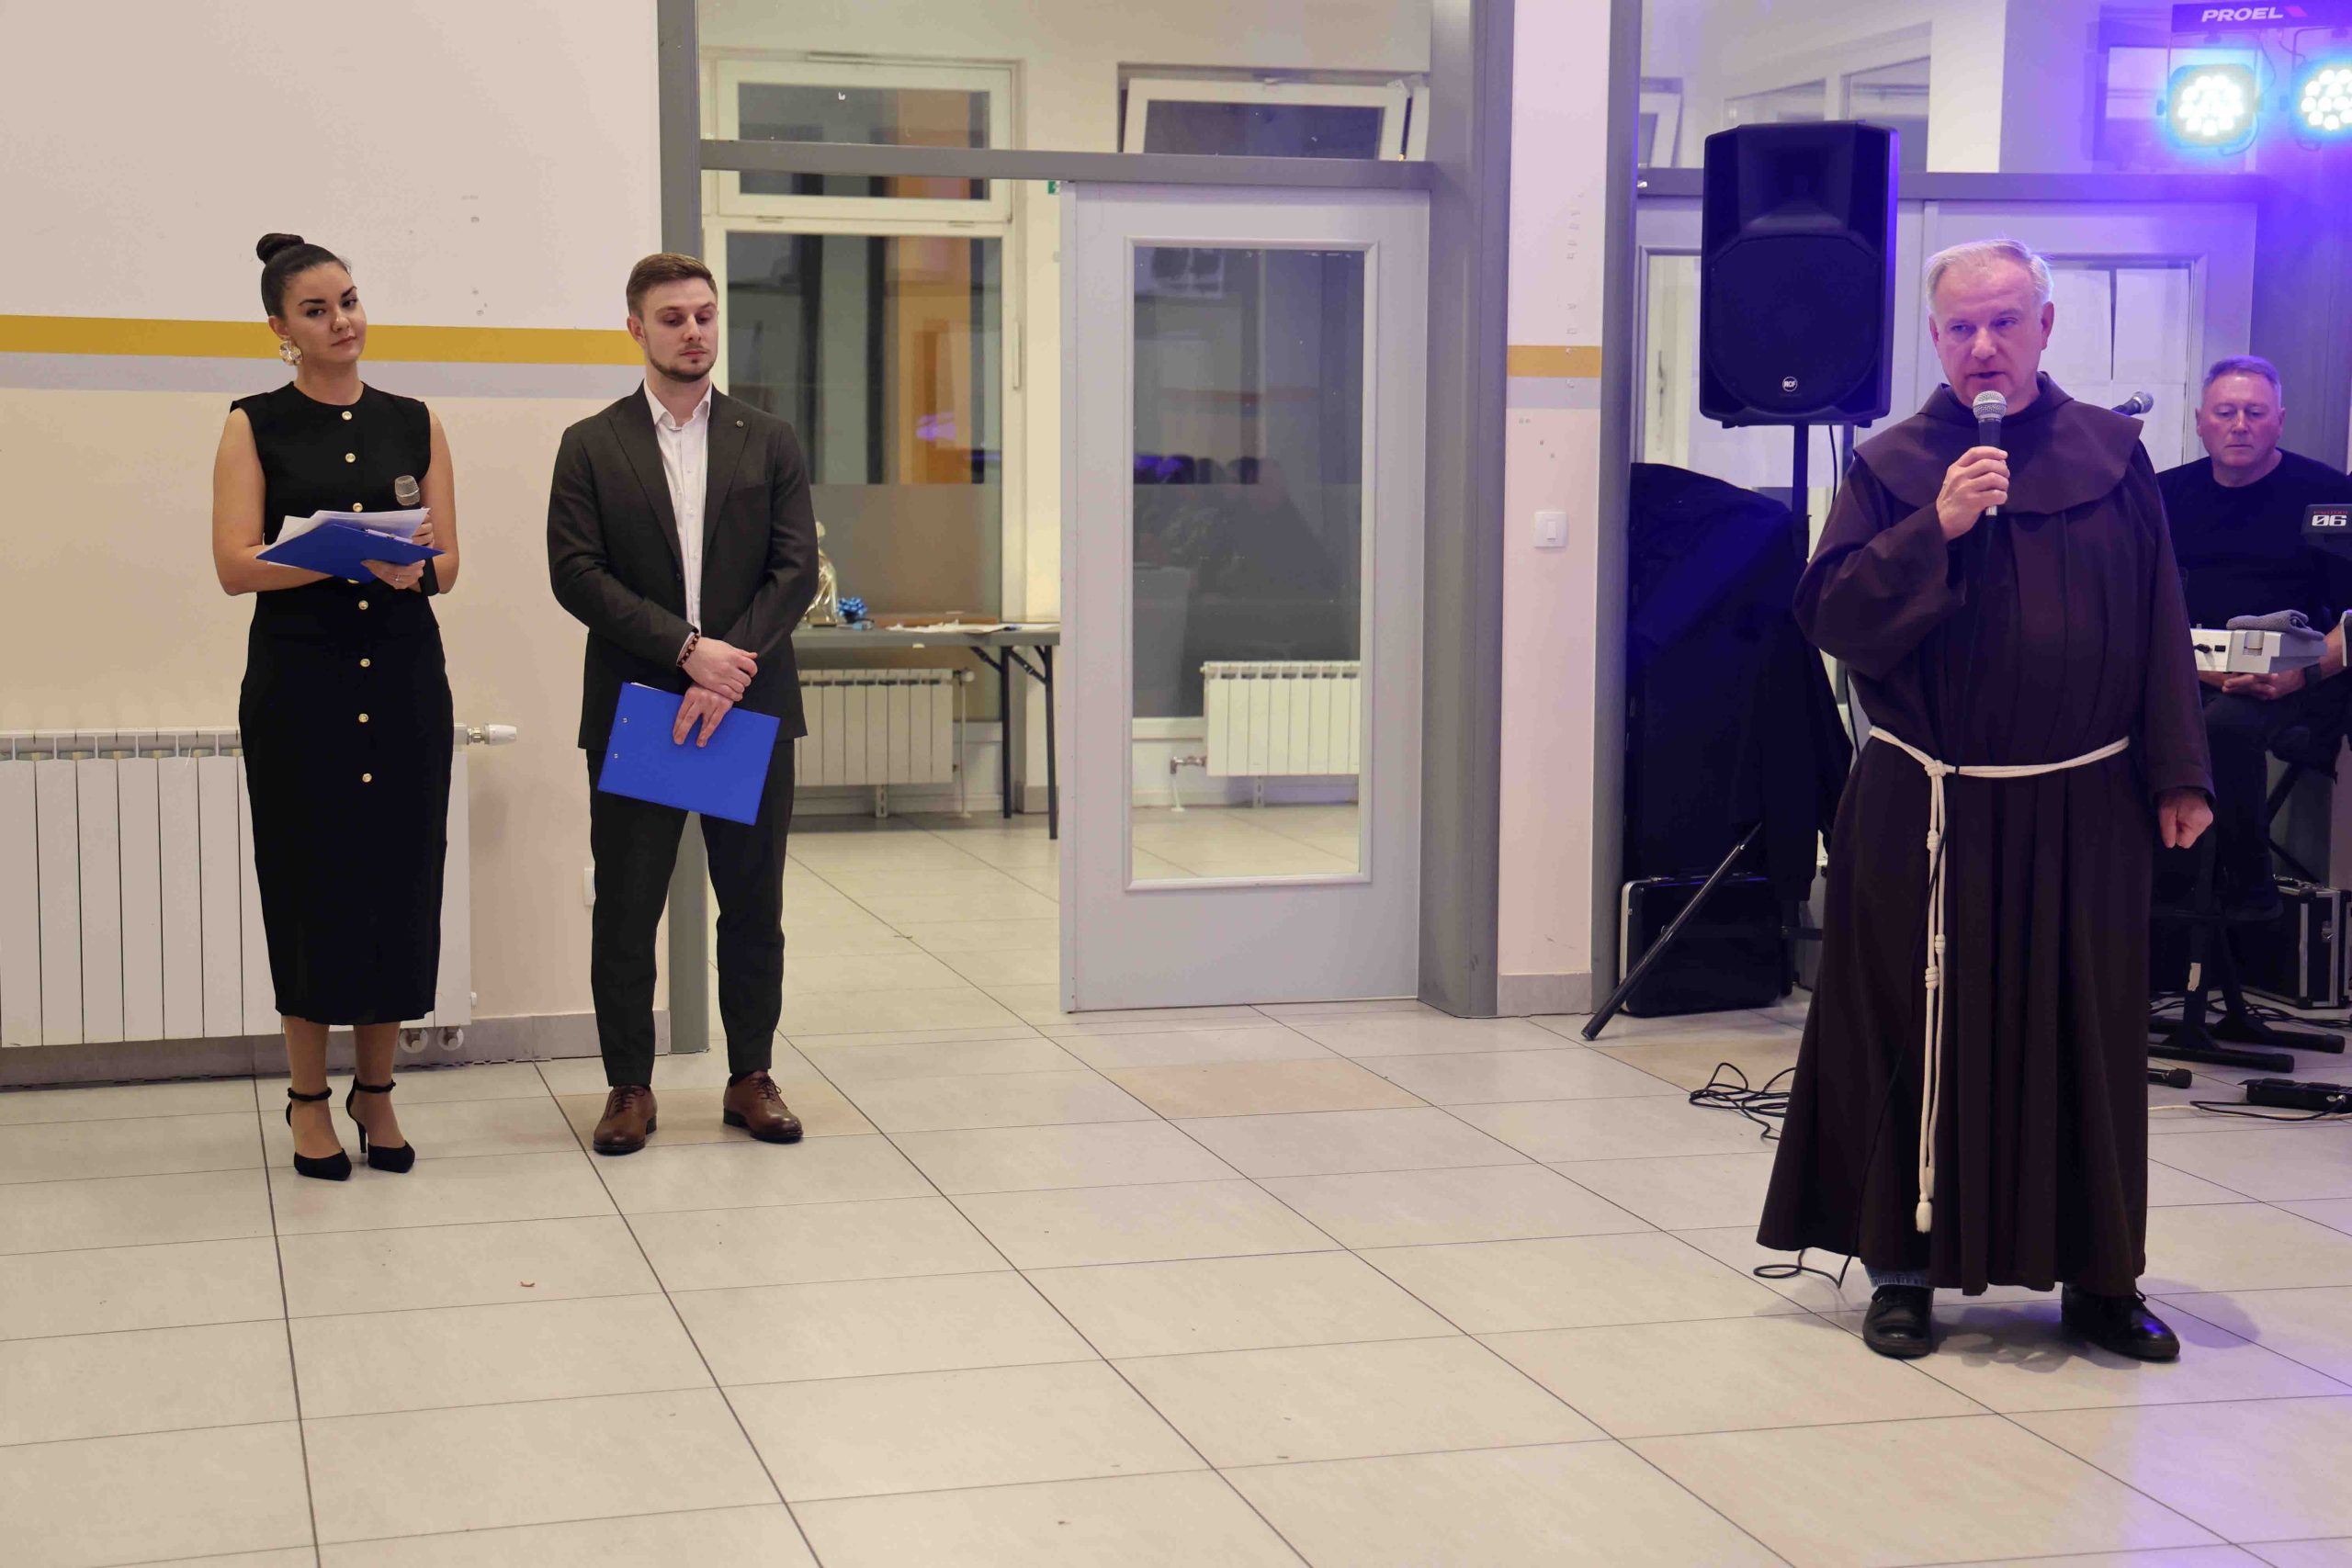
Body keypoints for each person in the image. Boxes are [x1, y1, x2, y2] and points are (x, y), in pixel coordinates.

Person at [1757, 237, 2212, 1362]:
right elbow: (1831, 616)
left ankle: (2098, 1278)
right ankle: (1901, 1269)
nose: (1983, 346)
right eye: (1960, 327)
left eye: (2005, 321)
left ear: (2045, 327)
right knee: (1910, 1031)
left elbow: (2157, 615)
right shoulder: (1891, 466)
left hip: (2083, 800)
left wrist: (2179, 770)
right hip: (1926, 801)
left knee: (2084, 1032)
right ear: (1934, 339)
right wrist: (1937, 527)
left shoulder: (2114, 457)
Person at [547, 253, 820, 1156]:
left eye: (704, 315)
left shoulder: (767, 438)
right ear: (636, 328)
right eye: (672, 318)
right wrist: (686, 652)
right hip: (642, 706)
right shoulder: (592, 443)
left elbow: (795, 569)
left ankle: (751, 1077)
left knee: (753, 907)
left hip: (745, 703)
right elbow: (575, 573)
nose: (693, 331)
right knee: (628, 912)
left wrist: (726, 667)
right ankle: (630, 1085)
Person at [211, 233, 462, 1181]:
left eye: (349, 301)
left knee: (400, 880)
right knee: (310, 886)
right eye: (315, 311)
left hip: (402, 681)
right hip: (301, 688)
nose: (341, 321)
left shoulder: (415, 420)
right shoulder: (253, 424)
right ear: (280, 328)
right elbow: (235, 565)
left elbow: (447, 562)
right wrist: (335, 553)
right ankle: (309, 1098)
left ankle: (379, 1091)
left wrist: (409, 567)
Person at [2158, 357, 2352, 919]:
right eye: (2225, 412)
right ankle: (2157, 890)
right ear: (2201, 421)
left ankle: (2248, 891)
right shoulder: (2166, 493)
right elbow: (2139, 605)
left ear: (2280, 421)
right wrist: (2194, 668)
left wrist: (2303, 673)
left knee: (2224, 726)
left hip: (2298, 673)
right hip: (2191, 666)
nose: (2239, 425)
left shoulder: (2328, 493)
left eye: (2255, 412)